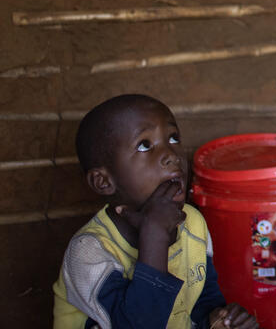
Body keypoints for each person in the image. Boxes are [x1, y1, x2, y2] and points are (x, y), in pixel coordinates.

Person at [52, 94, 257, 329]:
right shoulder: (88, 251)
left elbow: (203, 300)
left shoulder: (193, 223)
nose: (171, 155)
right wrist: (155, 236)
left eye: (173, 138)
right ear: (103, 181)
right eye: (144, 145)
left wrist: (219, 320)